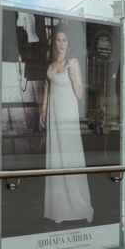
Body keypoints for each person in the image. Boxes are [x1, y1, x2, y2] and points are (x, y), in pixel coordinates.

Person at [40, 28, 94, 223]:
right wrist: (44, 109)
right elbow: (48, 85)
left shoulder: (74, 63)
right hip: (54, 118)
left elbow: (80, 94)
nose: (61, 43)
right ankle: (59, 210)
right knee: (56, 160)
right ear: (54, 42)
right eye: (58, 40)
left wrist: (73, 79)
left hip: (67, 118)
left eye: (64, 40)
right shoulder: (51, 62)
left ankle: (79, 206)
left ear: (68, 43)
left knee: (70, 160)